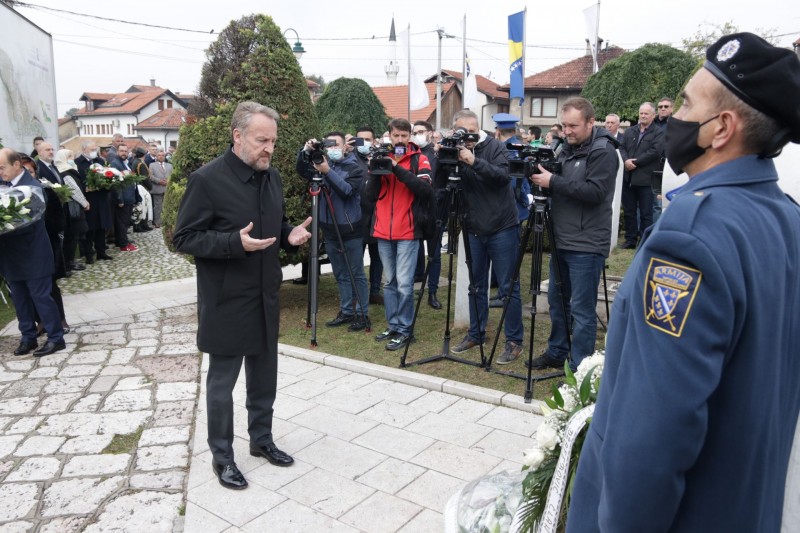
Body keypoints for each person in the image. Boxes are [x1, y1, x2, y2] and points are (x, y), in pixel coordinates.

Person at [567, 33, 800, 532]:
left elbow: (652, 435)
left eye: (689, 103)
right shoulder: (788, 219)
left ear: (722, 128)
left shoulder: (692, 235)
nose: (676, 118)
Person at [173, 101, 312, 490]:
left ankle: (261, 441)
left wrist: (288, 234)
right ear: (238, 136)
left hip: (266, 296)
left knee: (264, 376)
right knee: (222, 385)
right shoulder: (207, 180)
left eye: (273, 141)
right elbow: (184, 237)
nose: (269, 148)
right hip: (226, 300)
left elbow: (273, 224)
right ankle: (222, 457)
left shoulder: (273, 177)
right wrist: (234, 242)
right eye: (261, 140)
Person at [529, 97, 619, 371]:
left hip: (587, 243)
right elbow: (560, 183)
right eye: (563, 125)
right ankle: (557, 352)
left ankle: (581, 368)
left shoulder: (603, 151)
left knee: (581, 309)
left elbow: (596, 192)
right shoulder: (566, 149)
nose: (566, 131)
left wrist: (553, 181)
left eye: (573, 126)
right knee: (557, 302)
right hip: (561, 238)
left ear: (591, 122)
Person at [434, 109, 523, 364]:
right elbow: (440, 184)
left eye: (473, 131)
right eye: (464, 132)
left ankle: (514, 340)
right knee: (475, 286)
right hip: (472, 227)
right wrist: (443, 156)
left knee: (508, 287)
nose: (469, 136)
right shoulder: (454, 148)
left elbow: (502, 177)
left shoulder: (495, 147)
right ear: (455, 130)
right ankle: (476, 333)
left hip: (502, 227)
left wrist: (473, 160)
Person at [364, 118, 433, 351]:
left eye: (404, 136)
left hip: (408, 231)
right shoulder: (381, 158)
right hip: (383, 230)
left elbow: (425, 190)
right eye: (396, 136)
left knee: (404, 284)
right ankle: (393, 325)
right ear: (390, 136)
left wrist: (397, 168)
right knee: (389, 282)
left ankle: (405, 329)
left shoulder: (419, 159)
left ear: (410, 136)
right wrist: (376, 169)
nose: (400, 140)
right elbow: (369, 196)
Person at [296, 131, 369, 331]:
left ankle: (362, 314)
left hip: (350, 229)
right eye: (329, 145)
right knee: (340, 274)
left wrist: (328, 171)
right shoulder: (319, 166)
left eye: (336, 145)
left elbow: (347, 191)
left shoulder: (354, 167)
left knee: (356, 273)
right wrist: (305, 151)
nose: (332, 149)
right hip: (328, 229)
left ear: (346, 146)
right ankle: (346, 311)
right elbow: (301, 170)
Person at [0, 148, 66, 357]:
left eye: (2, 167)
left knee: (41, 297)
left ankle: (56, 338)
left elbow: (28, 221)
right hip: (11, 254)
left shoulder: (34, 187)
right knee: (19, 298)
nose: (0, 172)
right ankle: (27, 337)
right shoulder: (2, 186)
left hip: (33, 252)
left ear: (16, 165)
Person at [619, 102, 664, 249]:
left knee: (646, 213)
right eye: (641, 113)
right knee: (629, 212)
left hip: (645, 179)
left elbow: (655, 151)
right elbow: (622, 147)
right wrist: (626, 160)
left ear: (653, 115)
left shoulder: (658, 132)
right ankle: (630, 239)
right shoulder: (630, 131)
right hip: (628, 178)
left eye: (646, 113)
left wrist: (636, 162)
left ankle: (644, 240)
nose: (643, 116)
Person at [412, 120, 444, 309]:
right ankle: (416, 282)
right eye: (415, 132)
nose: (417, 135)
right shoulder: (412, 154)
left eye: (421, 131)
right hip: (415, 209)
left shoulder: (437, 154)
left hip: (435, 210)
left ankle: (432, 292)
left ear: (430, 133)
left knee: (434, 254)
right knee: (414, 250)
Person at [353, 126, 384, 306]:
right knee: (357, 260)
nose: (364, 143)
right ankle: (358, 293)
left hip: (377, 218)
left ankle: (374, 291)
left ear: (374, 141)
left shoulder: (379, 160)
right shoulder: (351, 160)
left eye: (367, 139)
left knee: (377, 259)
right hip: (358, 219)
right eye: (360, 140)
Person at [75, 140, 113, 263]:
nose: (94, 152)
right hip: (89, 199)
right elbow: (77, 181)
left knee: (102, 227)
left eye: (95, 150)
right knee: (90, 228)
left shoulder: (100, 161)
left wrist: (107, 184)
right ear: (84, 149)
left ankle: (101, 252)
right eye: (92, 150)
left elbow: (108, 176)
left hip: (101, 198)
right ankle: (89, 254)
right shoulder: (78, 163)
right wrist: (85, 187)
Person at [54, 149, 90, 275]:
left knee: (74, 236)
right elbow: (74, 190)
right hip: (72, 208)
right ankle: (68, 262)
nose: (72, 159)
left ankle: (70, 260)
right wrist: (84, 202)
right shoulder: (65, 172)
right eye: (69, 156)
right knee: (72, 236)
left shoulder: (66, 169)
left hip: (72, 207)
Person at [109, 145, 139, 252]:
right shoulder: (115, 163)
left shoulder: (126, 163)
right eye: (121, 151)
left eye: (126, 151)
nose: (124, 153)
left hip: (129, 196)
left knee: (124, 222)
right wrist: (119, 199)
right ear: (117, 152)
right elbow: (116, 183)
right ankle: (123, 244)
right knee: (122, 223)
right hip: (123, 198)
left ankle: (121, 241)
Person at [148, 149, 171, 228]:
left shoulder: (169, 165)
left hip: (167, 188)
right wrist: (159, 181)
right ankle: (157, 222)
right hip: (157, 188)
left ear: (164, 157)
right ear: (156, 156)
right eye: (159, 155)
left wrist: (168, 181)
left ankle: (166, 221)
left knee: (167, 206)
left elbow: (172, 175)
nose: (161, 157)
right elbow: (151, 176)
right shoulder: (152, 165)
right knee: (158, 206)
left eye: (162, 155)